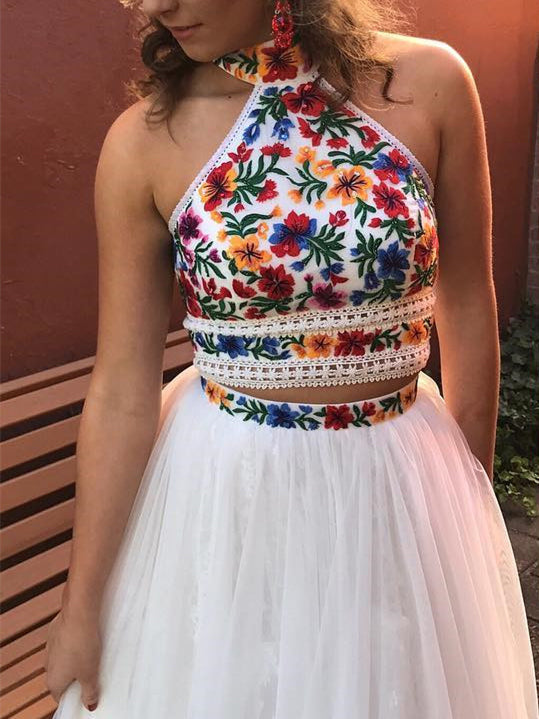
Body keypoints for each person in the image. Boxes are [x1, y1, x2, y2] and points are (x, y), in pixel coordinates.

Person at [45, 0, 539, 716]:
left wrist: (470, 508)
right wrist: (81, 606)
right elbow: (121, 388)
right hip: (225, 501)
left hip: (400, 481)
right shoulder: (145, 140)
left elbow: (464, 303)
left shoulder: (429, 84)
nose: (151, 6)